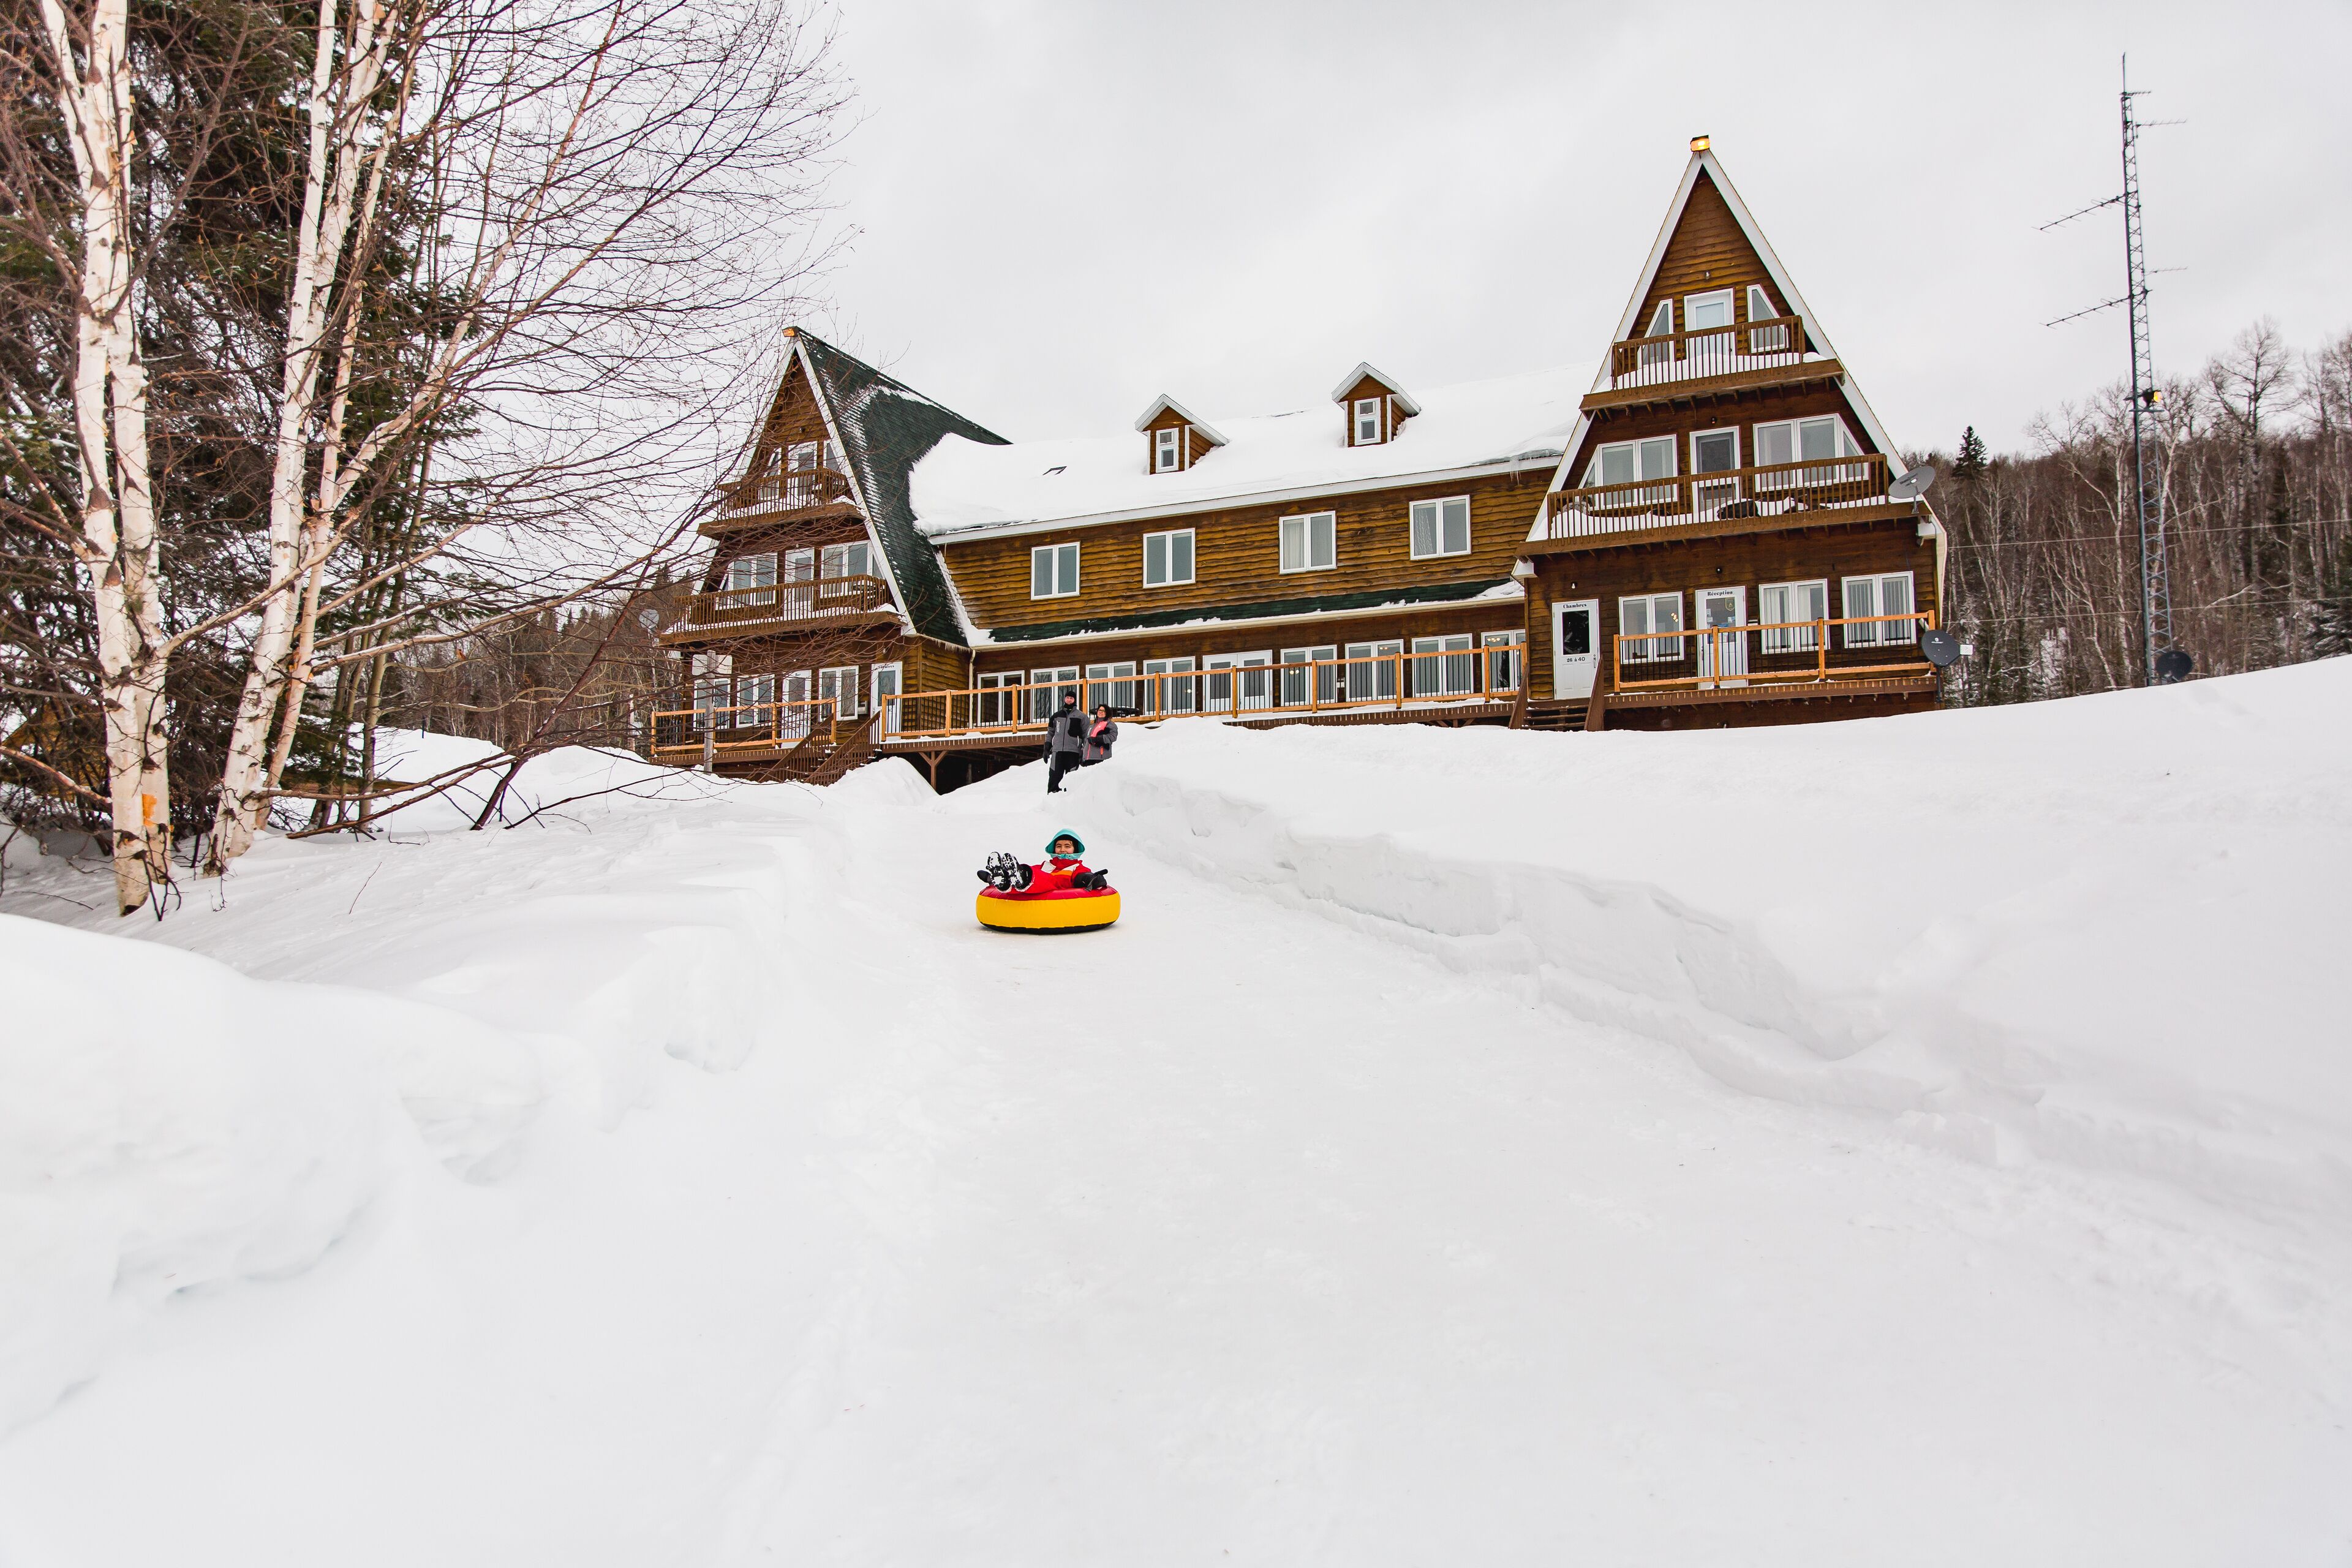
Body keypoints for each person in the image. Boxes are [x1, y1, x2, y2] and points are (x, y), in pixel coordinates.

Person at [977, 831, 1110, 892]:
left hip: (1056, 892)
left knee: (1046, 879)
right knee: (1029, 872)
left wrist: (1092, 879)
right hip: (1034, 889)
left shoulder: (1076, 867)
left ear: (1075, 850)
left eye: (1067, 846)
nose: (1062, 850)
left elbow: (1083, 877)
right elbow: (1032, 870)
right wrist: (990, 878)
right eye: (1059, 846)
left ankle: (1021, 878)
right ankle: (1004, 879)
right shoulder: (1046, 865)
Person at [1042, 689, 1088, 793]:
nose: (1069, 700)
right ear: (1064, 699)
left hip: (1073, 751)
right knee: (1054, 776)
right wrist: (1046, 748)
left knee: (1071, 779)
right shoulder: (1056, 716)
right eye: (1067, 698)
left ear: (1075, 700)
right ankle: (1052, 797)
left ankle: (1070, 798)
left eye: (1071, 698)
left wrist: (1083, 750)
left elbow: (1086, 734)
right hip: (1057, 751)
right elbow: (1050, 732)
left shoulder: (1082, 716)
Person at [1081, 703, 1118, 767]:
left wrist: (1098, 739)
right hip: (1088, 758)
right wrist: (1082, 755)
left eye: (1103, 711)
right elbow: (1085, 742)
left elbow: (1113, 737)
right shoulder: (1091, 726)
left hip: (1100, 758)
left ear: (1107, 713)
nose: (1101, 712)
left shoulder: (1110, 724)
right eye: (1099, 710)